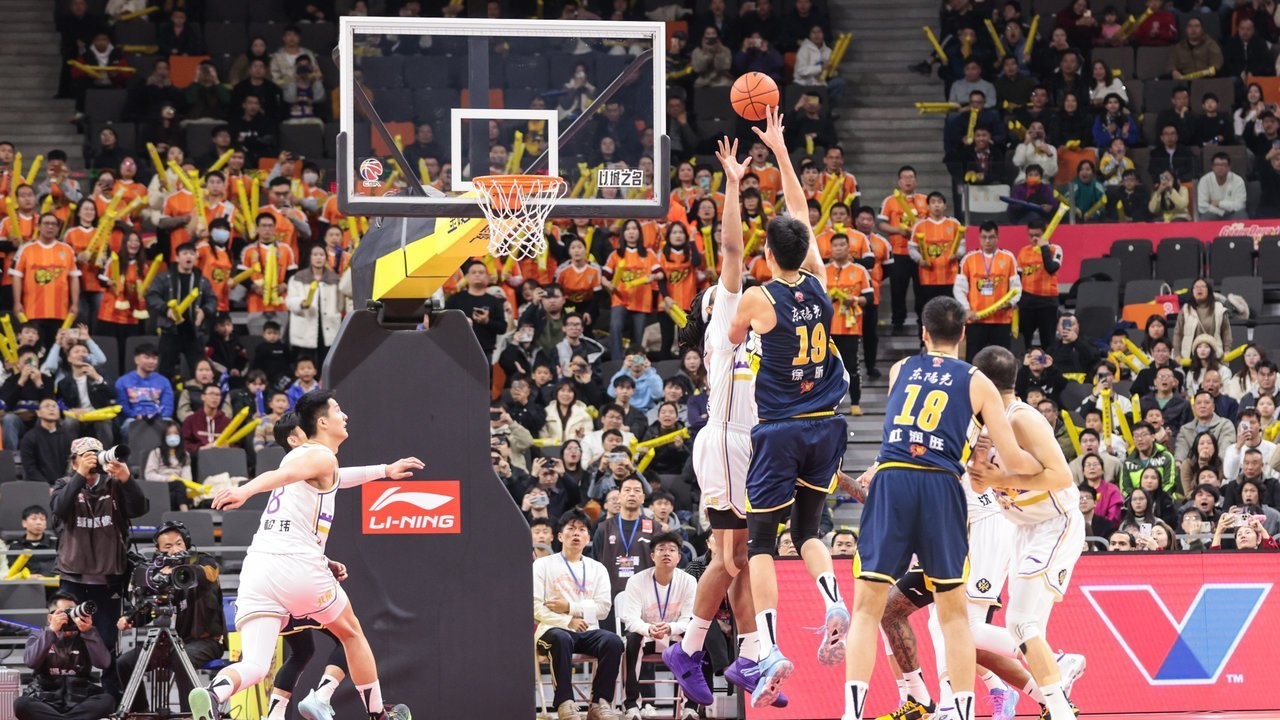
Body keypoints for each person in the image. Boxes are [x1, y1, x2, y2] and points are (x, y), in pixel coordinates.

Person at [841, 301, 1043, 720]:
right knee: (953, 619)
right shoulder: (979, 382)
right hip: (942, 485)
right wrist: (1044, 470)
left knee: (866, 609)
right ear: (965, 333)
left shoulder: (900, 370)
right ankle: (965, 711)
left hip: (894, 477)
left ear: (924, 333)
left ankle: (851, 713)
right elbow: (1010, 457)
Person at [726, 108, 852, 706]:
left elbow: (728, 339)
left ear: (766, 253)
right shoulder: (821, 281)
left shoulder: (756, 297)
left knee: (760, 544)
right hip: (828, 425)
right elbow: (799, 216)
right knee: (810, 529)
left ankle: (772, 645)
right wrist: (779, 151)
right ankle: (833, 601)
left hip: (778, 430)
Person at [192, 390, 421, 720]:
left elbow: (338, 479)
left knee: (255, 664)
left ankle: (214, 694)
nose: (346, 416)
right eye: (339, 411)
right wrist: (244, 490)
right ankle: (378, 715)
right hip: (296, 566)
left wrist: (386, 470)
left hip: (258, 567)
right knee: (351, 633)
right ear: (323, 421)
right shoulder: (320, 455)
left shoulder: (312, 463)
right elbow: (280, 477)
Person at [662, 137, 788, 710]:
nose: (734, 287)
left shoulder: (762, 332)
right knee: (732, 557)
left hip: (742, 446)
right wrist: (734, 185)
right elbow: (733, 248)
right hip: (728, 443)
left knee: (740, 559)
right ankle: (689, 648)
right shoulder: (724, 323)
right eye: (724, 289)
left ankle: (752, 651)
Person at [966, 346, 1084, 720]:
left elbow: (1062, 477)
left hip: (1053, 524)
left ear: (983, 382)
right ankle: (1059, 675)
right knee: (1024, 632)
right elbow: (986, 486)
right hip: (1022, 528)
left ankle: (1059, 708)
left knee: (1020, 622)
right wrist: (983, 476)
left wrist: (1001, 477)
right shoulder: (985, 425)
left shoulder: (1023, 418)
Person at [50, 437, 146, 698]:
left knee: (106, 641)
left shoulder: (114, 484)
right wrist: (80, 475)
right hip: (73, 577)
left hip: (109, 578)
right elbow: (59, 508)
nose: (92, 459)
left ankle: (110, 698)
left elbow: (139, 508)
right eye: (85, 455)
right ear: (73, 462)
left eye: (96, 454)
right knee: (69, 638)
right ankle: (69, 694)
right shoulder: (63, 485)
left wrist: (127, 478)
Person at [115, 522, 226, 712]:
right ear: (158, 551)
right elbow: (148, 609)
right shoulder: (157, 573)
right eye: (168, 546)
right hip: (168, 642)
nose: (175, 550)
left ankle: (188, 714)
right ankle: (140, 712)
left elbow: (208, 574)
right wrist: (130, 618)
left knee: (182, 659)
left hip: (206, 641)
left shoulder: (203, 562)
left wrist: (177, 572)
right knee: (124, 663)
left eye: (179, 543)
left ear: (187, 544)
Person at [534, 508, 626, 720]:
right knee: (561, 637)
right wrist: (567, 620)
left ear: (588, 537)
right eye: (571, 529)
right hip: (551, 631)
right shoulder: (542, 565)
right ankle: (565, 703)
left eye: (582, 529)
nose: (576, 533)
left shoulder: (598, 568)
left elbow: (603, 609)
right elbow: (536, 607)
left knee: (613, 641)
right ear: (559, 535)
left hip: (588, 630)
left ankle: (600, 703)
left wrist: (569, 607)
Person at [616, 531, 698, 719]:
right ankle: (631, 705)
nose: (666, 553)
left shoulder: (689, 581)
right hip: (647, 635)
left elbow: (689, 619)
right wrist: (648, 629)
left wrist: (671, 628)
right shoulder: (636, 581)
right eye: (661, 549)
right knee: (632, 638)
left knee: (695, 637)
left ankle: (690, 707)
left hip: (676, 635)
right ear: (653, 556)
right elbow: (630, 619)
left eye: (672, 549)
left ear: (679, 557)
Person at [13, 591, 116, 720]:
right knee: (21, 704)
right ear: (50, 617)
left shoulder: (86, 635)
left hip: (80, 700)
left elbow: (104, 663)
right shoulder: (39, 635)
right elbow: (31, 662)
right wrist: (51, 631)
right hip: (45, 699)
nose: (69, 617)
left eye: (73, 612)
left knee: (107, 701)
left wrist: (89, 632)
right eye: (64, 613)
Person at [147, 242, 217, 380]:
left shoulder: (202, 280)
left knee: (198, 369)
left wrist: (204, 312)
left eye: (191, 253)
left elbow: (212, 299)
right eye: (184, 253)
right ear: (177, 257)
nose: (188, 256)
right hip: (170, 331)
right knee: (166, 370)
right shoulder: (164, 277)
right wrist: (166, 309)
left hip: (193, 333)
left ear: (196, 257)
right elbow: (152, 296)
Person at [955, 222, 1020, 362]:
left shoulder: (1008, 258)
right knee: (973, 359)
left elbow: (1017, 287)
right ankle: (972, 384)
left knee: (1003, 360)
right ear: (979, 238)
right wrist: (967, 310)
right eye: (984, 237)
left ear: (997, 237)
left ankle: (1002, 384)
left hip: (1001, 319)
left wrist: (1010, 303)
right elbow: (959, 288)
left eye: (991, 237)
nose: (988, 241)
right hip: (976, 319)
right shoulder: (969, 258)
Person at [12, 213, 80, 342]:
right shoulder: (26, 249)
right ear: (38, 226)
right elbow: (17, 277)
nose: (50, 227)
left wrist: (75, 303)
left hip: (61, 310)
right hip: (32, 310)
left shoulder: (67, 249)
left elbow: (74, 278)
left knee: (57, 347)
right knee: (36, 348)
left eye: (54, 224)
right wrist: (17, 302)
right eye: (46, 224)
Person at [116, 343, 174, 440]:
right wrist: (135, 415)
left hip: (159, 419)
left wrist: (159, 417)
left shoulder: (164, 381)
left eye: (155, 358)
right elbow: (122, 406)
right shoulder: (123, 381)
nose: (152, 361)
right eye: (147, 357)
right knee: (129, 424)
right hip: (133, 419)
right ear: (136, 359)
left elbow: (168, 407)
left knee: (170, 424)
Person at [19, 398, 72, 487]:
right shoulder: (29, 437)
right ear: (38, 413)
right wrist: (45, 487)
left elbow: (72, 463)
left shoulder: (67, 435)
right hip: (38, 487)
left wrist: (63, 485)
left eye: (54, 406)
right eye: (47, 406)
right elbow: (30, 468)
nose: (51, 409)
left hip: (63, 487)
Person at [1197, 153, 1248, 221]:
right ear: (1213, 167)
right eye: (1217, 165)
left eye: (1223, 165)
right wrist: (1221, 212)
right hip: (1212, 213)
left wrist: (1219, 203)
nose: (1220, 168)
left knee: (1242, 215)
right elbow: (1202, 206)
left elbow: (1240, 205)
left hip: (1232, 214)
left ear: (1229, 167)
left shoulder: (1238, 181)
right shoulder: (1204, 180)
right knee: (1206, 217)